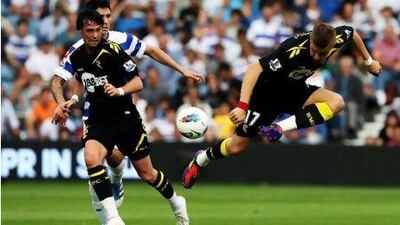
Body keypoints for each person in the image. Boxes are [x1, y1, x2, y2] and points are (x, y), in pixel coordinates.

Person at [51, 0, 203, 221]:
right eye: (97, 19)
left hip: (124, 115)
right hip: (95, 114)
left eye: (106, 18)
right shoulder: (77, 51)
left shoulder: (119, 42)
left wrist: (181, 70)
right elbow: (75, 77)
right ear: (85, 26)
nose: (103, 24)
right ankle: (112, 218)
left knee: (145, 173)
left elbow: (150, 53)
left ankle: (171, 200)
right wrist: (67, 99)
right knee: (92, 159)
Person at [182, 23, 382, 189]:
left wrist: (369, 60)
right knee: (237, 147)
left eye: (321, 54)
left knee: (337, 102)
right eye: (313, 50)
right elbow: (254, 68)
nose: (315, 57)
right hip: (266, 95)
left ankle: (279, 128)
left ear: (331, 47)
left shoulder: (336, 37)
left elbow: (352, 32)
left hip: (295, 90)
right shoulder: (291, 50)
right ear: (310, 40)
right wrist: (242, 106)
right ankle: (200, 159)